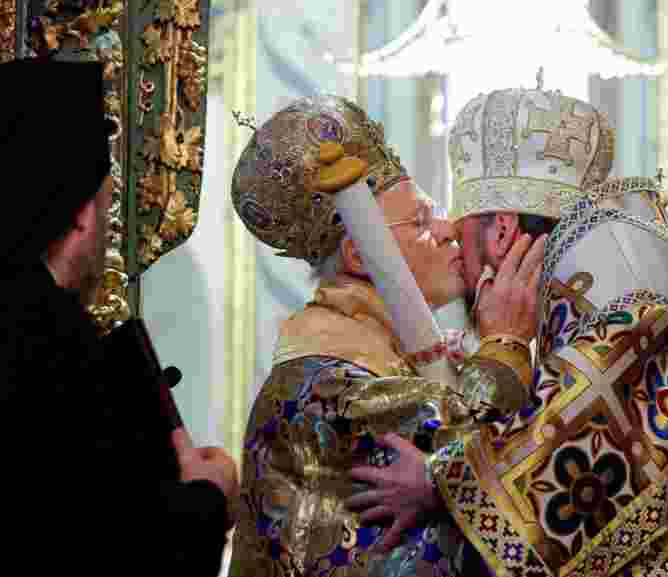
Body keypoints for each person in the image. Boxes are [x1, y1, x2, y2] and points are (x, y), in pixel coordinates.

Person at [347, 85, 668, 577]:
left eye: (465, 232)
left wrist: (440, 482)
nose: (454, 244)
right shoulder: (610, 254)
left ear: (504, 231)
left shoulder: (609, 277)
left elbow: (589, 446)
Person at [227, 95, 542, 577]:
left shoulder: (377, 358)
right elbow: (481, 456)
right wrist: (505, 344)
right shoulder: (325, 384)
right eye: (419, 221)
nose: (446, 229)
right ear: (359, 256)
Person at [0, 61, 238, 575]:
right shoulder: (53, 345)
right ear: (84, 214)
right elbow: (108, 543)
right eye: (109, 207)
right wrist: (210, 498)